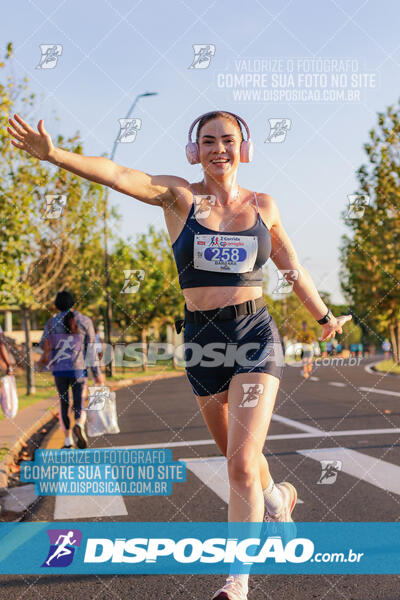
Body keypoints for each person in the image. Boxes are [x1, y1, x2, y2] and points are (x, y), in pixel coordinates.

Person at [8, 110, 352, 600]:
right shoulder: (180, 197)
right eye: (208, 141)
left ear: (244, 146)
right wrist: (55, 155)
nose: (218, 149)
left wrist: (324, 318)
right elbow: (121, 174)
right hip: (202, 340)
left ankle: (236, 582)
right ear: (194, 151)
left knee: (240, 464)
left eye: (228, 140)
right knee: (238, 457)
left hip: (255, 333)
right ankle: (277, 498)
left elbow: (291, 265)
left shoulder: (264, 206)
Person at [38, 290, 104, 449]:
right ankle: (79, 425)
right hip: (78, 370)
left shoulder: (51, 323)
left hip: (59, 369)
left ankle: (68, 440)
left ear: (57, 305)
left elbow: (42, 344)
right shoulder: (85, 321)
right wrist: (97, 373)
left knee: (63, 403)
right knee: (79, 402)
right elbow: (91, 349)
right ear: (73, 303)